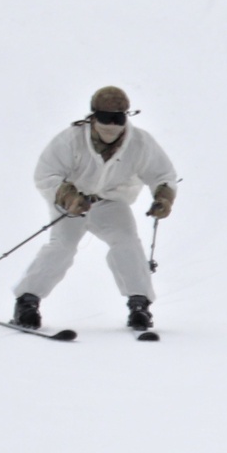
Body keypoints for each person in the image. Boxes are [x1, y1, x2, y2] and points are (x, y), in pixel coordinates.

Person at [12, 85, 179, 332]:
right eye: (105, 117)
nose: (112, 124)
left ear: (127, 117)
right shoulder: (70, 140)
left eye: (118, 118)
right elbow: (46, 174)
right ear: (93, 116)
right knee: (63, 246)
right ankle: (27, 301)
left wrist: (163, 198)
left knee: (127, 242)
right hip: (72, 203)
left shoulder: (140, 143)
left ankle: (139, 304)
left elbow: (162, 174)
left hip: (111, 202)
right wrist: (67, 196)